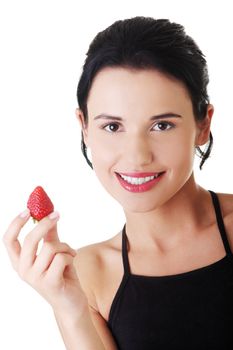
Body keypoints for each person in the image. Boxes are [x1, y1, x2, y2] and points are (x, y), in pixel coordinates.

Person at [3, 16, 233, 350]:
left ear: (203, 124)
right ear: (84, 127)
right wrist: (69, 308)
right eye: (112, 127)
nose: (137, 156)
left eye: (162, 126)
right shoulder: (88, 272)